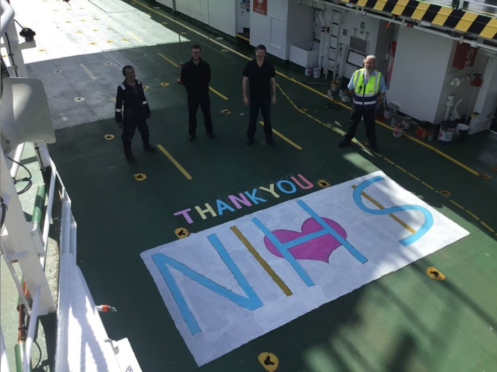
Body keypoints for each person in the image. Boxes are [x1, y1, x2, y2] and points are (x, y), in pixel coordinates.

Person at [338, 55, 386, 152]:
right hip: (357, 106)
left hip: (370, 108)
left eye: (371, 63)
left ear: (374, 64)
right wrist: (356, 98)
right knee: (353, 124)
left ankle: (373, 144)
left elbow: (382, 90)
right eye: (367, 63)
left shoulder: (379, 76)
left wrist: (379, 101)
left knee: (370, 126)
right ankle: (347, 140)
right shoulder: (356, 74)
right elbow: (350, 88)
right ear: (364, 63)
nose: (368, 65)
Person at [115, 65, 156, 162]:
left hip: (141, 114)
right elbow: (118, 105)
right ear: (125, 75)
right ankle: (128, 153)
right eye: (129, 73)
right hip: (130, 117)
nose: (132, 75)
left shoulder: (138, 83)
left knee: (145, 131)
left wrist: (147, 109)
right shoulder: (122, 88)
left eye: (133, 72)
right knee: (127, 136)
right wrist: (118, 119)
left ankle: (146, 145)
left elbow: (143, 98)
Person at [242, 44, 276, 146]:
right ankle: (250, 137)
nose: (260, 54)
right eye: (258, 52)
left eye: (262, 53)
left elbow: (272, 81)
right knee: (253, 118)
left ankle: (269, 138)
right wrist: (245, 96)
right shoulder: (250, 65)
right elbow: (245, 81)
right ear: (255, 52)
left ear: (265, 54)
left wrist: (274, 95)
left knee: (267, 119)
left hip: (266, 97)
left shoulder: (269, 65)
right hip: (254, 97)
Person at [180, 44, 214, 141]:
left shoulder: (205, 66)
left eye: (197, 52)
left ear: (200, 53)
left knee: (207, 114)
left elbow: (208, 77)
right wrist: (190, 89)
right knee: (192, 115)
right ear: (191, 53)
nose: (196, 54)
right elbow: (184, 79)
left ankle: (209, 131)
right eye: (194, 52)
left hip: (204, 94)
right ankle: (192, 133)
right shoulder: (186, 67)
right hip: (192, 95)